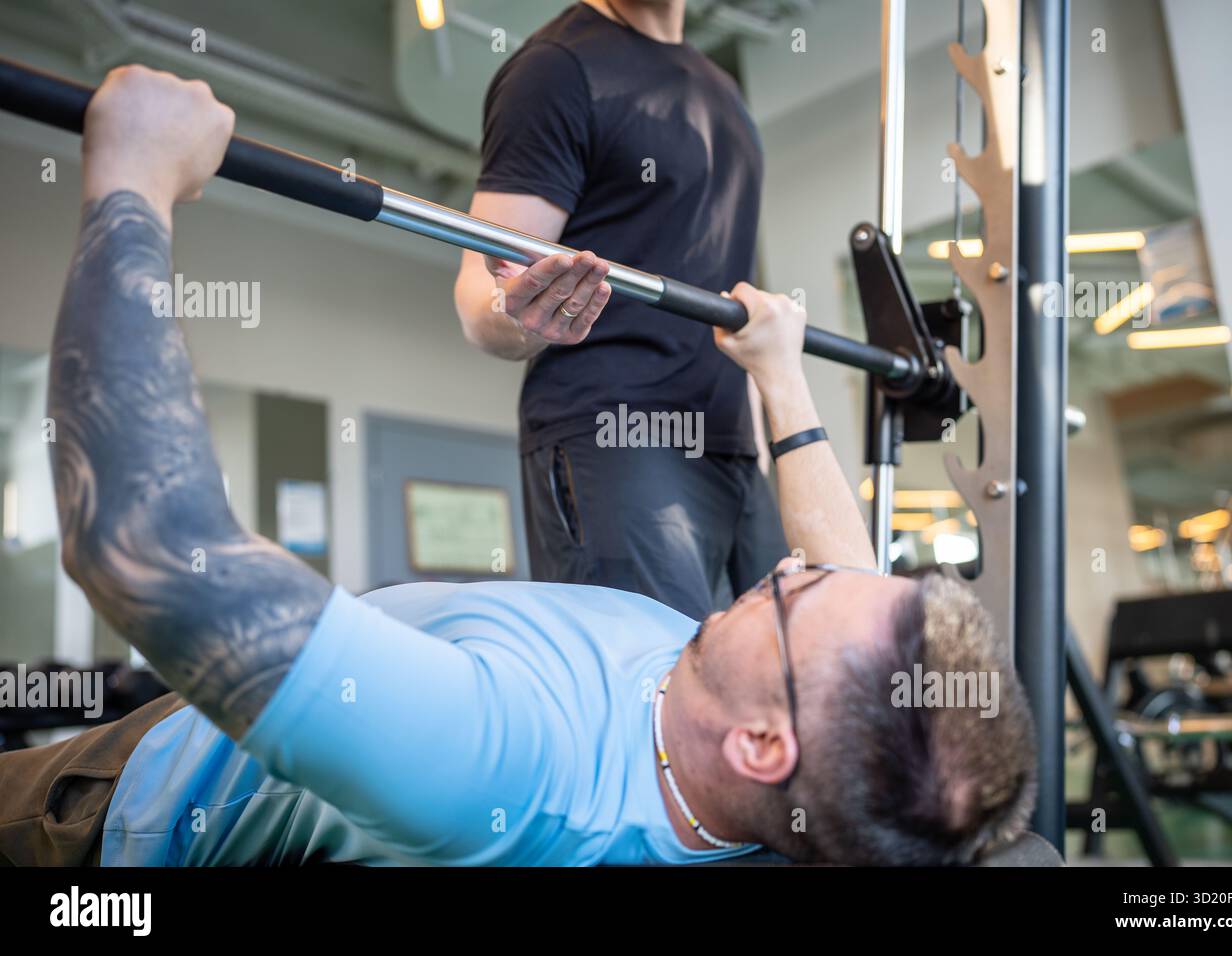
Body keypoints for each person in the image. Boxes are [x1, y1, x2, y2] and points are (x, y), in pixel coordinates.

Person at [0, 66, 1035, 867]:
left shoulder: (511, 760)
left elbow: (151, 547)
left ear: (764, 746)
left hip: (103, 801)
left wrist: (133, 182)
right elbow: (845, 576)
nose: (789, 568)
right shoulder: (762, 737)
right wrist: (781, 376)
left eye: (796, 601)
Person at [453, 0, 788, 620]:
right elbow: (480, 289)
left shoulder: (723, 90)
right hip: (616, 434)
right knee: (655, 691)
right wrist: (521, 312)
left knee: (788, 685)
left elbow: (727, 288)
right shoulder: (556, 70)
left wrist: (760, 440)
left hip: (732, 446)